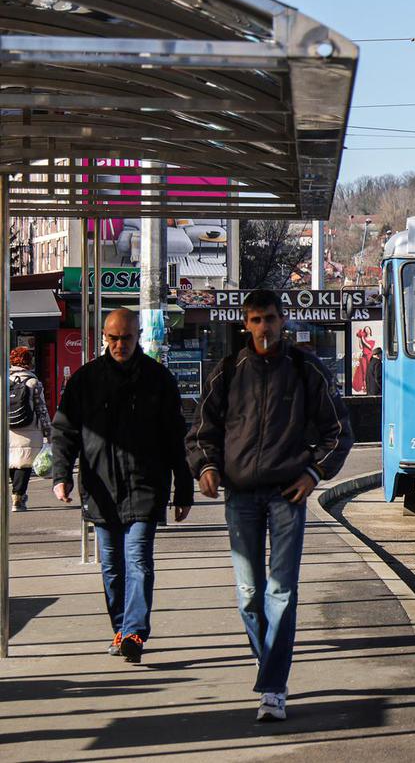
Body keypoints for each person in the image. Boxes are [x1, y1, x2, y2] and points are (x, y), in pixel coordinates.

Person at [187, 289, 353, 722]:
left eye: (271, 319)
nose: (264, 327)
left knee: (280, 592)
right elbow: (202, 430)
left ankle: (274, 687)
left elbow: (338, 431)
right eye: (256, 320)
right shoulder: (227, 371)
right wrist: (205, 468)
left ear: (283, 322)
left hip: (286, 496)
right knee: (249, 595)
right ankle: (269, 668)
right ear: (246, 323)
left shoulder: (305, 370)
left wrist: (314, 473)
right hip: (240, 495)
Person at [49, 309, 192, 664]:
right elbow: (64, 431)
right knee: (111, 567)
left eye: (126, 338)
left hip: (145, 486)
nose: (119, 345)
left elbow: (176, 437)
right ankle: (121, 626)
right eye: (113, 338)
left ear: (138, 336)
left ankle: (133, 632)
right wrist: (61, 474)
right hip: (101, 489)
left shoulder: (158, 379)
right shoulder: (85, 380)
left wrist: (183, 488)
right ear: (104, 338)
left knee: (138, 560)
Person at [8, 346, 52, 512]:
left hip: (7, 428)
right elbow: (41, 409)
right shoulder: (33, 382)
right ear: (28, 362)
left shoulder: (5, 381)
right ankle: (18, 496)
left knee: (11, 462)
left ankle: (15, 493)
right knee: (24, 464)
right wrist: (49, 432)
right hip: (29, 428)